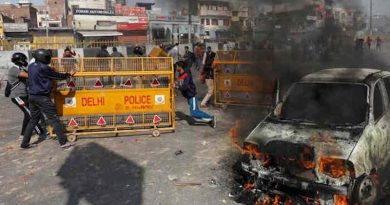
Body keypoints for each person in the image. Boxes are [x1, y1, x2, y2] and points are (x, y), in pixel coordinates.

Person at [22, 49, 76, 149]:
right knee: (54, 119)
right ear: (42, 57)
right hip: (42, 97)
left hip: (32, 96)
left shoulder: (31, 66)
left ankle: (24, 143)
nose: (48, 59)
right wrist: (69, 74)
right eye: (47, 57)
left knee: (33, 120)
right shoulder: (44, 67)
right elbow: (58, 76)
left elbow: (43, 75)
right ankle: (63, 143)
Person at [7, 52, 47, 141]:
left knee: (28, 115)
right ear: (19, 60)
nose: (25, 61)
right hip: (17, 96)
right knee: (31, 115)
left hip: (24, 95)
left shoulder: (21, 68)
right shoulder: (14, 69)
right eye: (24, 59)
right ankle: (41, 133)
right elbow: (29, 76)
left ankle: (22, 135)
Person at [176, 61, 216, 128]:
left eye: (177, 66)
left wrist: (177, 87)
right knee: (196, 112)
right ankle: (210, 119)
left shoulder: (186, 74)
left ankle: (211, 118)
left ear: (180, 67)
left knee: (194, 113)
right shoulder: (180, 74)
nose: (176, 67)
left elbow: (185, 86)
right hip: (189, 96)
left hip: (192, 95)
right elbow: (181, 84)